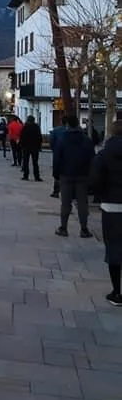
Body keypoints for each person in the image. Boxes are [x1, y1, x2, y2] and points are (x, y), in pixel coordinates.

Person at [90, 120, 122, 305]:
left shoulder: (104, 155)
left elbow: (95, 180)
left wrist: (101, 194)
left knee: (114, 248)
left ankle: (117, 292)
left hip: (112, 206)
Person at [53, 115, 94, 239]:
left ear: (67, 125)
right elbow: (92, 159)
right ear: (78, 124)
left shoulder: (62, 139)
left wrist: (56, 174)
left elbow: (57, 158)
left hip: (66, 175)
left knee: (66, 202)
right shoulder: (87, 140)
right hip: (82, 175)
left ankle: (63, 228)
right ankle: (84, 229)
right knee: (82, 203)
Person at [49, 117, 68, 197]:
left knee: (57, 173)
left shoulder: (56, 130)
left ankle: (56, 191)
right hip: (69, 155)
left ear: (61, 122)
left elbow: (51, 141)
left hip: (58, 155)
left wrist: (54, 150)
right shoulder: (70, 131)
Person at [20, 115, 43, 181]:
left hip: (26, 147)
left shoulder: (25, 127)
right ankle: (37, 177)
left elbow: (22, 137)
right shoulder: (36, 127)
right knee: (35, 162)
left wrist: (22, 145)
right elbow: (39, 137)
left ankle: (26, 176)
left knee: (25, 162)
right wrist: (39, 146)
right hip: (35, 147)